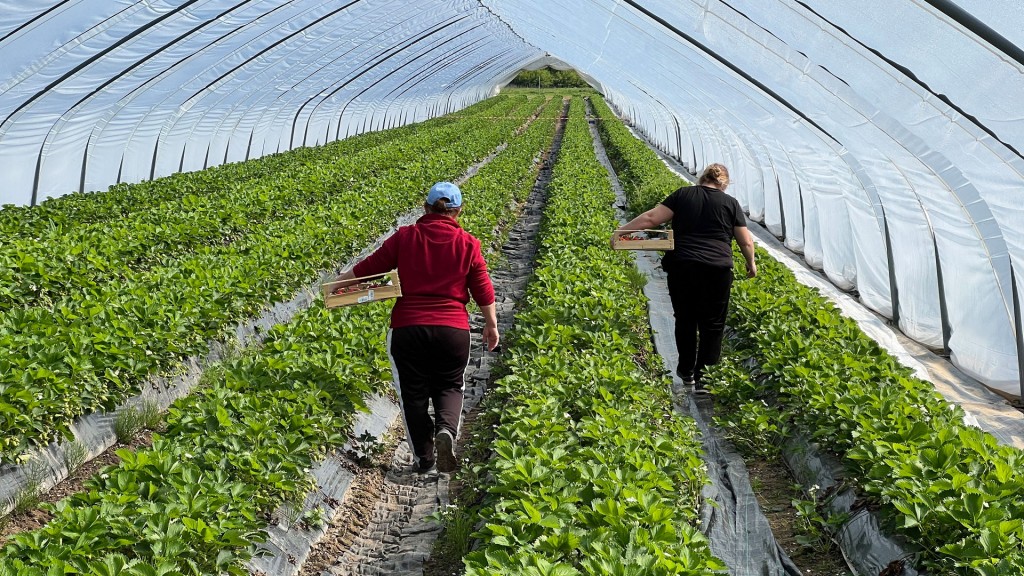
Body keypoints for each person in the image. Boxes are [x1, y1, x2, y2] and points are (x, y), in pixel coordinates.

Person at [335, 181, 500, 472]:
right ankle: (446, 430)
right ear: (458, 212)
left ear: (425, 208)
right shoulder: (468, 243)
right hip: (453, 331)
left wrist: (337, 286)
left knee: (413, 394)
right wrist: (491, 325)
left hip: (408, 328)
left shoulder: (406, 237)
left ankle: (424, 458)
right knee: (450, 385)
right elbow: (483, 288)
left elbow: (369, 267)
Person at [613, 163, 756, 393]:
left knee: (685, 318)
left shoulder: (683, 194)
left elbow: (651, 219)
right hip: (717, 271)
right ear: (724, 184)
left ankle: (686, 371)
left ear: (702, 179)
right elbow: (746, 241)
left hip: (683, 267)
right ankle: (704, 379)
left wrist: (622, 232)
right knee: (713, 325)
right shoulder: (731, 204)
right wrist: (751, 263)